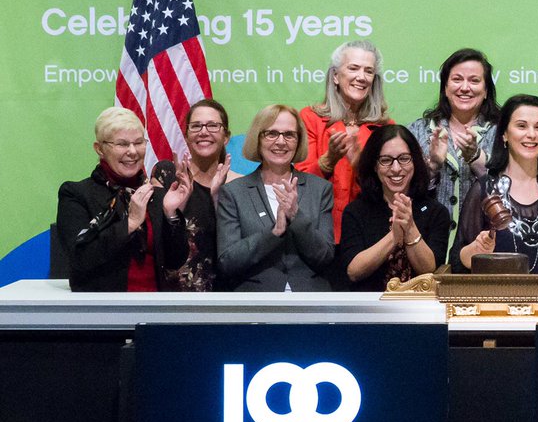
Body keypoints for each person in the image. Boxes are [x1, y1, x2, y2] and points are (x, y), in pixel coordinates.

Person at [56, 107, 188, 291]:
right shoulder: (76, 194)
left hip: (156, 309)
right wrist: (131, 223)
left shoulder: (155, 194)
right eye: (122, 144)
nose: (133, 151)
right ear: (99, 149)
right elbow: (80, 258)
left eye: (139, 142)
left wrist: (171, 214)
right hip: (103, 311)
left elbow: (175, 260)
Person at [452, 95, 538, 274]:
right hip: (497, 299)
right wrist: (477, 250)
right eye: (521, 126)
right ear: (504, 134)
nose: (531, 134)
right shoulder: (484, 190)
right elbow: (457, 263)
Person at [217, 105, 334, 291]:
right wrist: (273, 232)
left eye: (289, 135)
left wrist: (297, 217)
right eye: (271, 133)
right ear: (258, 138)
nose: (281, 142)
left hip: (310, 299)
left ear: (298, 141)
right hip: (256, 301)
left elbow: (325, 257)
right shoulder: (233, 192)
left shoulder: (320, 189)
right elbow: (227, 261)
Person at [296, 40, 391, 242]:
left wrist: (360, 168)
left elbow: (391, 187)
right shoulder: (310, 118)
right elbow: (299, 185)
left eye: (368, 71)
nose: (361, 77)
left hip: (370, 234)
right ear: (336, 76)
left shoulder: (386, 127)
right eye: (353, 68)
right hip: (319, 232)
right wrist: (328, 161)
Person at [338, 125, 451, 292]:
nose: (396, 168)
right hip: (369, 309)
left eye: (404, 158)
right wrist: (394, 236)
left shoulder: (436, 211)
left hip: (420, 309)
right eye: (386, 160)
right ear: (375, 166)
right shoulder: (356, 211)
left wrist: (410, 227)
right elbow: (353, 271)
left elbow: (429, 270)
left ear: (415, 161)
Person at [409, 48, 501, 251]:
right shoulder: (419, 131)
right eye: (457, 79)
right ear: (445, 87)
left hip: (484, 246)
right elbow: (404, 192)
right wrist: (432, 168)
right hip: (428, 245)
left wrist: (477, 160)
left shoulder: (503, 132)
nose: (465, 88)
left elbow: (511, 193)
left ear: (486, 90)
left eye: (475, 81)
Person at [159, 98, 241, 291]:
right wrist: (174, 211)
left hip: (228, 297)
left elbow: (238, 251)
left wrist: (217, 198)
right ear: (186, 135)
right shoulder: (168, 177)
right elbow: (161, 246)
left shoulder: (240, 185)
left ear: (226, 136)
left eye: (213, 126)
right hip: (175, 300)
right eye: (196, 126)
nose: (204, 132)